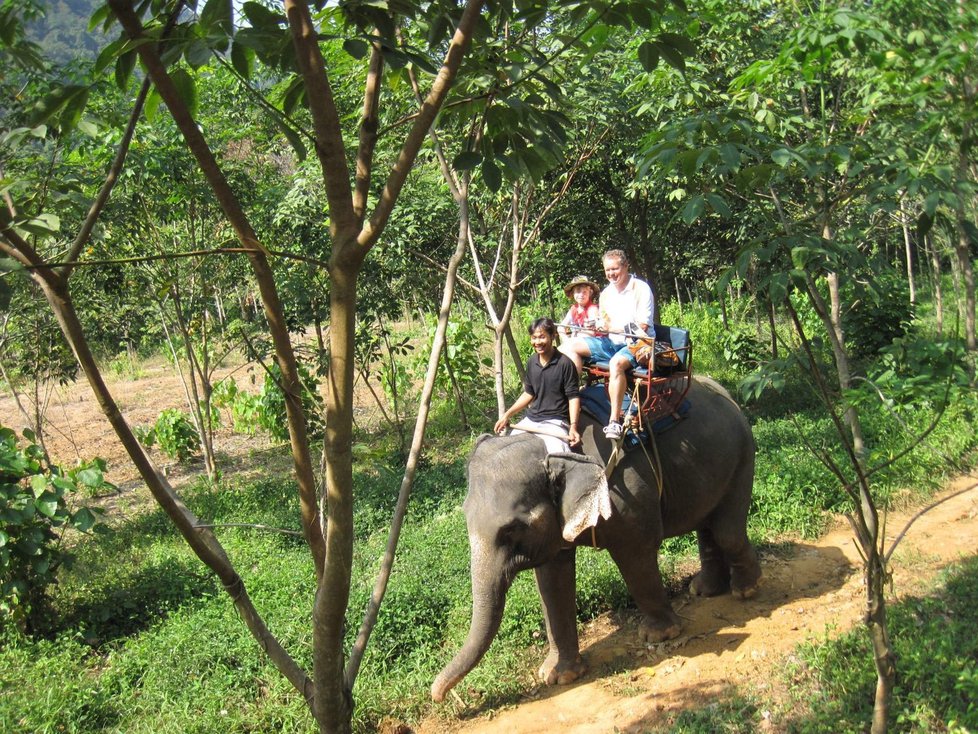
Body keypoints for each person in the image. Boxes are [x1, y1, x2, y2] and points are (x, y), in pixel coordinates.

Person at [559, 249, 654, 440]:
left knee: (616, 364)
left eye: (615, 269)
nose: (611, 274)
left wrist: (610, 327)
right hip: (609, 341)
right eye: (607, 270)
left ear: (626, 266)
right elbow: (603, 324)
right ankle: (568, 397)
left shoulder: (640, 289)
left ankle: (614, 422)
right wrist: (596, 326)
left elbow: (642, 326)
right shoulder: (606, 293)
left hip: (636, 344)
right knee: (566, 347)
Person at [494, 317, 581, 453]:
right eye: (534, 338)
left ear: (553, 336)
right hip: (531, 419)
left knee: (557, 456)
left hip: (555, 422)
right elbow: (529, 393)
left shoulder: (565, 364)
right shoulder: (532, 362)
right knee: (509, 451)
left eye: (542, 337)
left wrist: (573, 427)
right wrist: (507, 415)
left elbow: (573, 397)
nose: (537, 342)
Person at [558, 275, 601, 340]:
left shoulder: (592, 309)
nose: (581, 295)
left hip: (592, 343)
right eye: (578, 292)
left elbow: (591, 333)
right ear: (573, 293)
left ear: (590, 293)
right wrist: (566, 340)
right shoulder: (573, 309)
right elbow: (561, 327)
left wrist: (574, 339)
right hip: (576, 343)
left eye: (584, 292)